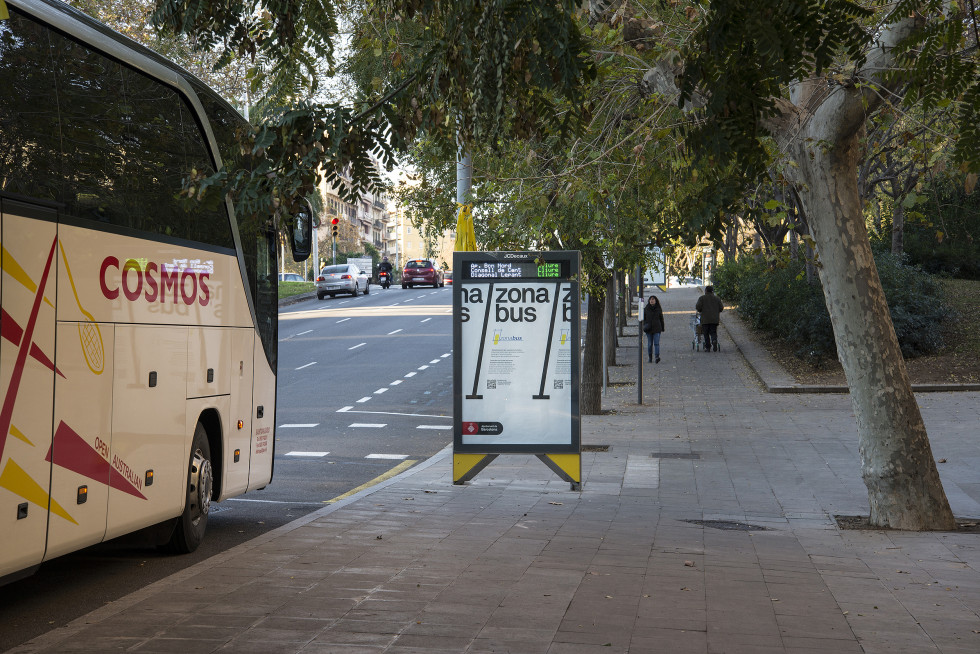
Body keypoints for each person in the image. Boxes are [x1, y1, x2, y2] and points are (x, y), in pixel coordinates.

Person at [695, 285, 724, 352]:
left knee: (706, 333)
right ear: (712, 291)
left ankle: (708, 347)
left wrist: (700, 310)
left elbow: (698, 307)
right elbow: (721, 308)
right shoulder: (717, 298)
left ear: (706, 291)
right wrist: (716, 312)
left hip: (705, 319)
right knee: (713, 332)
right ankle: (714, 340)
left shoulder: (702, 298)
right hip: (714, 319)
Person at [642, 295, 665, 363]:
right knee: (649, 344)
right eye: (650, 299)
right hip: (649, 329)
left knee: (656, 343)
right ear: (649, 301)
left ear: (656, 301)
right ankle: (650, 357)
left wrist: (662, 328)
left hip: (657, 329)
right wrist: (644, 326)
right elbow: (643, 319)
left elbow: (661, 319)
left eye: (653, 299)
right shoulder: (646, 309)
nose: (652, 300)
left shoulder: (658, 309)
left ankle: (657, 357)